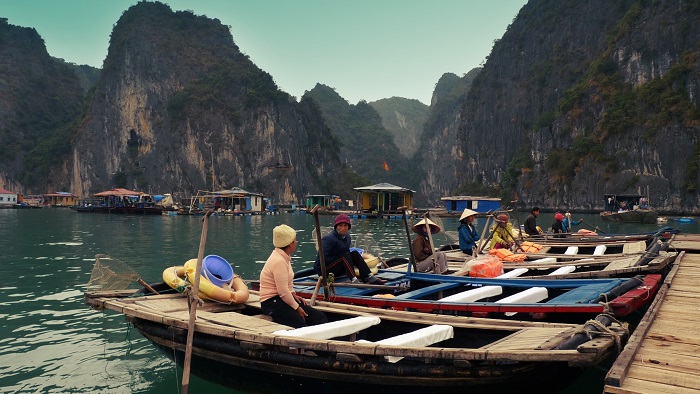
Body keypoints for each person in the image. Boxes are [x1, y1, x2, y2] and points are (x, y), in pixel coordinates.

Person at [260, 224, 328, 328]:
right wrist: (297, 308)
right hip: (271, 303)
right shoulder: (278, 261)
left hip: (281, 298)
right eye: (294, 240)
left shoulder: (284, 257)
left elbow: (287, 284)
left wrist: (293, 295)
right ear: (290, 244)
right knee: (301, 325)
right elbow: (282, 292)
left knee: (319, 317)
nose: (296, 242)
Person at [314, 214, 386, 284]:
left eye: (345, 226)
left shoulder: (347, 237)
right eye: (340, 226)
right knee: (344, 255)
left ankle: (368, 276)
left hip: (339, 266)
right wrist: (340, 257)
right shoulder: (329, 239)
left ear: (348, 227)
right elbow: (322, 260)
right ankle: (353, 279)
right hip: (325, 270)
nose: (343, 228)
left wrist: (345, 259)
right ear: (336, 227)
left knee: (354, 253)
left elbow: (347, 254)